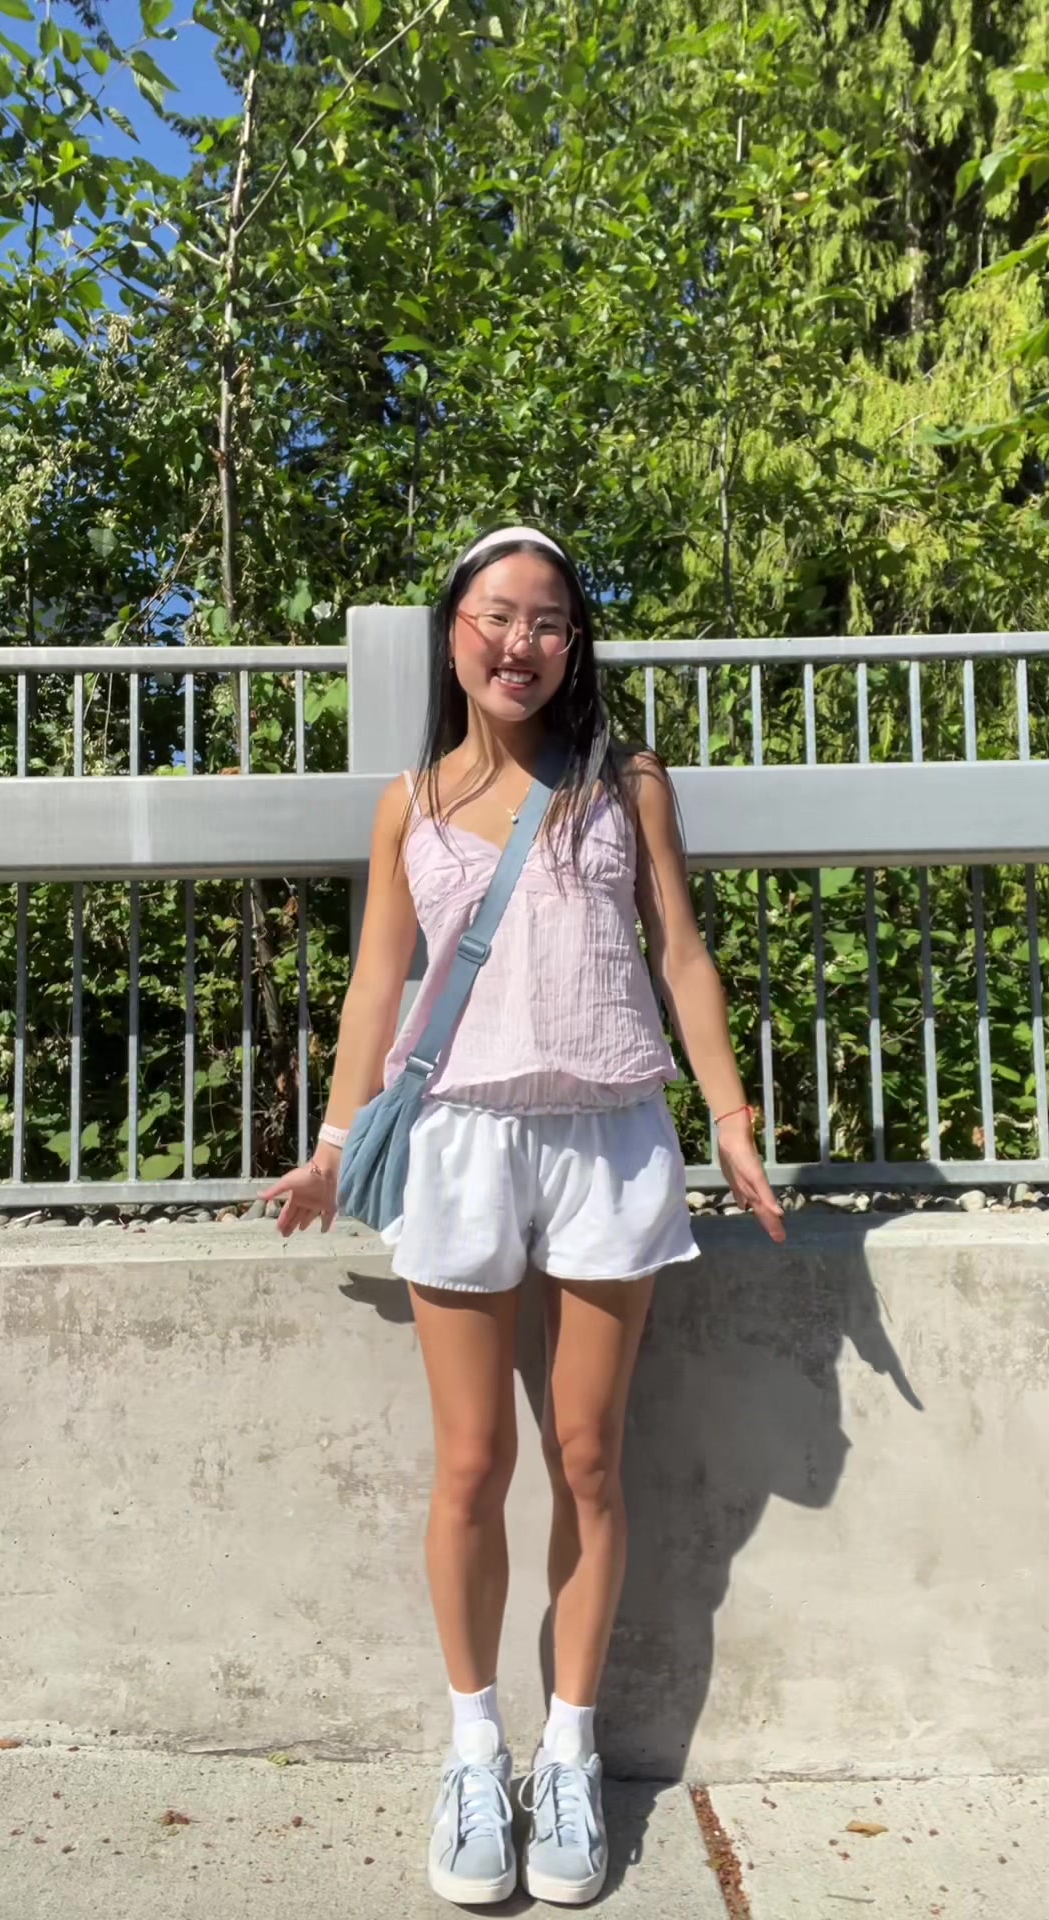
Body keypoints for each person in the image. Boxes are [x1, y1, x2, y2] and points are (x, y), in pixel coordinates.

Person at [261, 526, 785, 1908]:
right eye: (496, 616)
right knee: (473, 1464)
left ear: (574, 645)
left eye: (549, 621)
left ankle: (568, 1751)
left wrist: (730, 1121)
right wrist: (330, 1151)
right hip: (461, 1143)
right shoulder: (411, 805)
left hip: (609, 1135)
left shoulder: (625, 783)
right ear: (453, 635)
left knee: (590, 1456)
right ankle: (471, 1749)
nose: (521, 642)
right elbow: (377, 988)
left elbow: (682, 953)